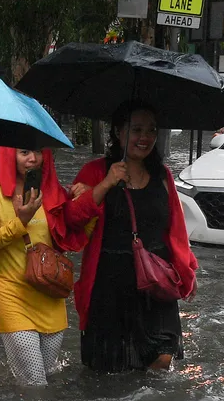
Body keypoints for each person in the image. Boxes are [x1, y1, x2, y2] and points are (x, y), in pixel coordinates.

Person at [66, 105, 198, 372]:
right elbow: (71, 221)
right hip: (109, 285)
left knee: (162, 358)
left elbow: (176, 229)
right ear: (118, 131)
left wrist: (187, 271)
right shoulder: (94, 172)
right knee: (111, 371)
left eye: (151, 130)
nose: (145, 137)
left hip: (156, 282)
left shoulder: (163, 175)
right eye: (136, 129)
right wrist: (105, 184)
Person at [0, 146, 84, 385]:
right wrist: (20, 221)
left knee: (48, 378)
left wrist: (83, 199)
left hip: (51, 295)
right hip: (14, 296)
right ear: (8, 155)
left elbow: (74, 235)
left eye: (37, 152)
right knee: (36, 385)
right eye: (24, 152)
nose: (33, 159)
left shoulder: (52, 192)